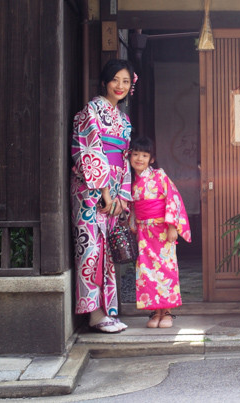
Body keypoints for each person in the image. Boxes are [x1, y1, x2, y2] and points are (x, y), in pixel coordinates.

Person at [71, 59, 136, 333]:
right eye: (115, 80)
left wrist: (122, 197)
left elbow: (124, 158)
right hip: (91, 191)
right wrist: (105, 193)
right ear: (104, 82)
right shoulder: (91, 112)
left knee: (107, 252)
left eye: (126, 81)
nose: (120, 86)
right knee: (90, 250)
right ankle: (94, 313)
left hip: (114, 191)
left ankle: (108, 311)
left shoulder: (124, 119)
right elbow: (90, 151)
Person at [126, 135, 191, 328]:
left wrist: (172, 226)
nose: (139, 159)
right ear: (130, 156)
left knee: (166, 268)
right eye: (135, 154)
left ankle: (168, 312)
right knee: (147, 271)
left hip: (162, 229)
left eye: (144, 155)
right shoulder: (129, 181)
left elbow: (173, 199)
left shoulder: (159, 176)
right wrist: (132, 226)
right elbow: (132, 207)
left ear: (151, 159)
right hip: (144, 232)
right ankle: (155, 312)